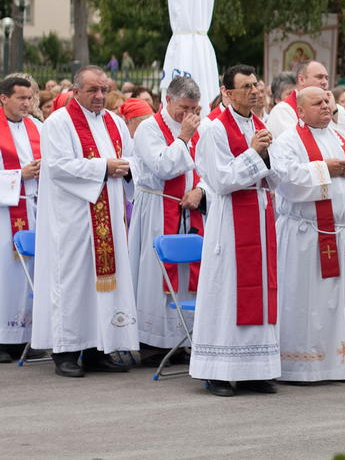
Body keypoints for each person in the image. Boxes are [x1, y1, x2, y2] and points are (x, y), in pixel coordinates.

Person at [32, 65, 138, 377]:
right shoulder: (59, 123)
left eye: (104, 89)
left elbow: (134, 159)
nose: (100, 96)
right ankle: (65, 350)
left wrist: (127, 168)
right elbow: (59, 166)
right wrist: (104, 167)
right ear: (76, 91)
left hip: (109, 220)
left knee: (104, 285)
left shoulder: (116, 123)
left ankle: (97, 349)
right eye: (93, 90)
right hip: (74, 219)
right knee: (74, 281)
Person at [271, 88, 345, 383]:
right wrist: (326, 168)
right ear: (300, 111)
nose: (325, 106)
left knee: (341, 302)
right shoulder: (289, 141)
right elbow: (287, 179)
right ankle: (304, 365)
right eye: (317, 103)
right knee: (308, 302)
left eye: (327, 101)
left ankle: (342, 363)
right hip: (307, 235)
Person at [190, 64, 280, 397]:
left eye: (257, 85)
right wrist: (254, 152)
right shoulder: (214, 128)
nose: (255, 92)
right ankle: (219, 371)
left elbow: (276, 173)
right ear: (227, 92)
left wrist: (268, 161)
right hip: (229, 222)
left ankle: (255, 370)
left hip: (259, 214)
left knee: (260, 290)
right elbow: (222, 180)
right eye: (246, 87)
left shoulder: (261, 124)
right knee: (227, 291)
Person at [127, 76, 205, 360]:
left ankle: (181, 338)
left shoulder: (199, 127)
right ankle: (152, 341)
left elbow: (208, 167)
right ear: (168, 99)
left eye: (194, 109)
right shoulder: (149, 128)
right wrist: (183, 136)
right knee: (155, 274)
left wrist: (199, 189)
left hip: (189, 212)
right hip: (158, 209)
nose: (189, 115)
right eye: (184, 107)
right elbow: (163, 167)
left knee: (186, 277)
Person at [0, 77, 42, 361]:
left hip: (35, 209)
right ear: (3, 98)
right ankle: (3, 341)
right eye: (21, 98)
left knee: (33, 274)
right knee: (5, 276)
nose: (27, 104)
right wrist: (19, 176)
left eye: (29, 98)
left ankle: (28, 337)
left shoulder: (38, 127)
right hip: (5, 215)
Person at [266, 61, 330, 137]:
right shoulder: (282, 110)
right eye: (319, 77)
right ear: (302, 79)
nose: (325, 82)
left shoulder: (330, 107)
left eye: (326, 78)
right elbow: (292, 144)